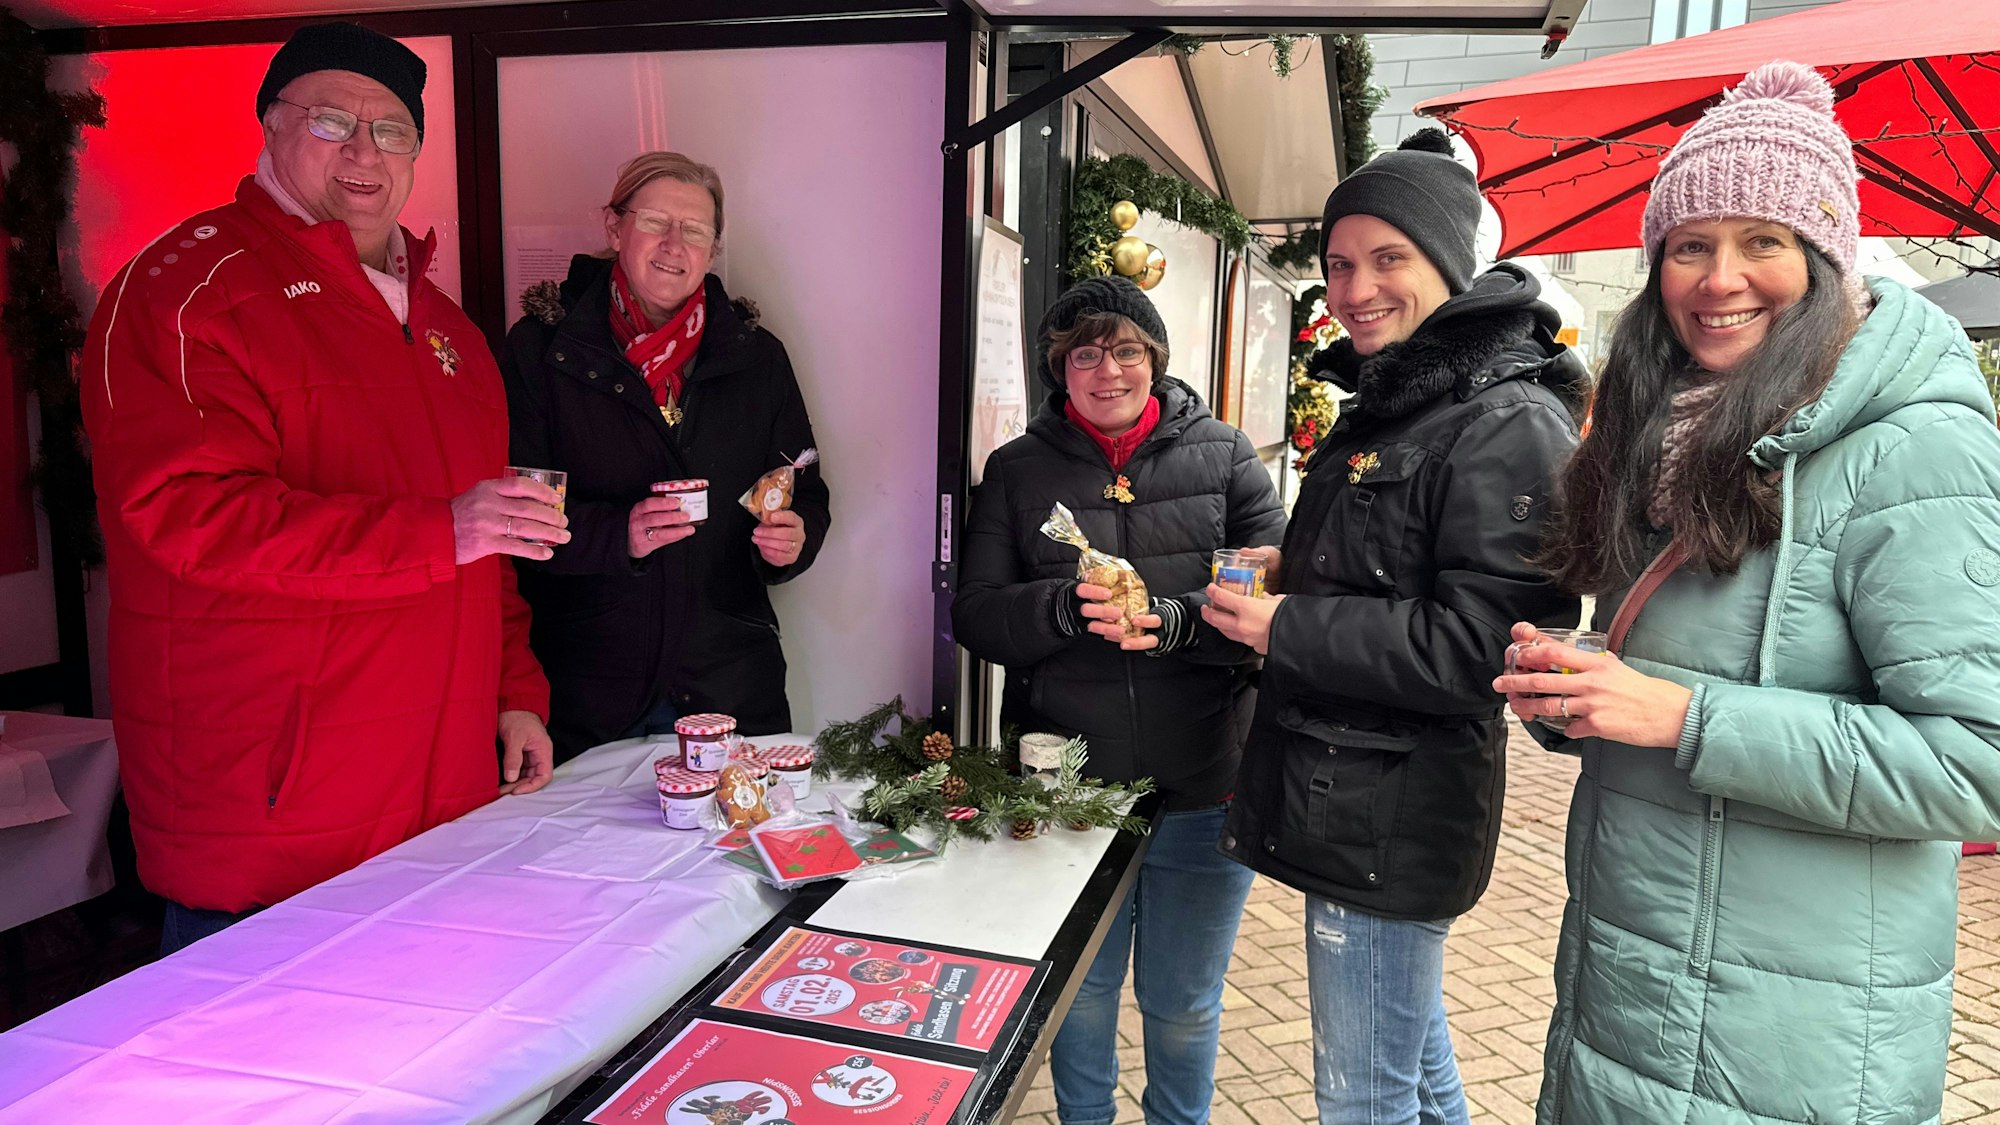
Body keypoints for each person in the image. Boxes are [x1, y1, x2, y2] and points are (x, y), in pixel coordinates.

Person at [1496, 62, 2000, 1125]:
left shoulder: (1916, 449)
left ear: (1822, 258)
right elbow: (1656, 694)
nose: (1715, 278)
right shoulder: (1670, 433)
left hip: (1790, 1041)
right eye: (1688, 244)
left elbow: (1977, 765)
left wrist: (1679, 715)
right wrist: (1577, 698)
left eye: (1760, 240)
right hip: (1629, 991)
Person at [79, 23, 562, 954]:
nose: (363, 151)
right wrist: (437, 533)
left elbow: (486, 537)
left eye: (391, 131)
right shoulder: (185, 289)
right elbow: (188, 518)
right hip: (275, 824)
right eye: (332, 119)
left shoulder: (445, 328)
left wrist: (514, 690)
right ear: (270, 124)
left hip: (439, 806)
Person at [1203, 130, 1583, 1125]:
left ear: (1448, 267)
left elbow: (1482, 650)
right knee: (1412, 1074)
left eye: (1387, 259)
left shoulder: (1503, 421)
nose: (1354, 288)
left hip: (1390, 811)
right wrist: (1292, 571)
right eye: (1337, 264)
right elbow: (1382, 570)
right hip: (1356, 797)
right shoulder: (1396, 402)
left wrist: (1284, 624)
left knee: (1362, 1098)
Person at [953, 276, 1285, 1125]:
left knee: (1182, 1004)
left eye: (1126, 349)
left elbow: (1288, 598)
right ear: (1060, 372)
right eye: (1085, 354)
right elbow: (975, 612)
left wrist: (1181, 623)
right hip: (1068, 791)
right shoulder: (1018, 470)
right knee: (1082, 999)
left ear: (1155, 358)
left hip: (1204, 783)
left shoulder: (1226, 456)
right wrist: (1061, 607)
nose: (1109, 370)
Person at [501, 152, 829, 761]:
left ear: (713, 247)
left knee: (735, 849)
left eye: (696, 230)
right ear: (614, 227)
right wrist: (618, 534)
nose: (674, 244)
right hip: (592, 687)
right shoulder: (543, 350)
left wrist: (795, 538)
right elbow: (518, 516)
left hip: (731, 681)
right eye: (655, 221)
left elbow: (804, 486)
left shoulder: (756, 358)